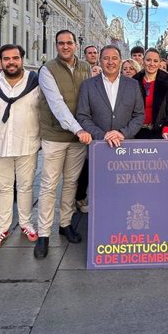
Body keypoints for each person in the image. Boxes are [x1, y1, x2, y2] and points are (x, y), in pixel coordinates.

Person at [35, 31, 91, 259]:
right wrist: (78, 128)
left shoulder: (86, 67)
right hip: (56, 135)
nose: (66, 47)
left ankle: (65, 223)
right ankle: (43, 233)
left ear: (76, 45)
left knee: (70, 182)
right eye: (61, 43)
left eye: (69, 43)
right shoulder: (47, 69)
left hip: (79, 138)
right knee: (49, 184)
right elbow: (56, 104)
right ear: (56, 46)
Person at [0, 44, 41, 250]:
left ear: (22, 59)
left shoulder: (35, 82)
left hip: (27, 142)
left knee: (25, 187)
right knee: (4, 188)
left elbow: (43, 111)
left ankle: (26, 223)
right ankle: (2, 227)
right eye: (6, 58)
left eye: (15, 58)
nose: (11, 62)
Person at [77, 44, 144, 147]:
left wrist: (123, 133)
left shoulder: (133, 85)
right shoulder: (87, 85)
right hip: (97, 145)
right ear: (100, 61)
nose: (110, 62)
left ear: (120, 61)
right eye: (106, 58)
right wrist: (103, 135)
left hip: (126, 145)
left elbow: (139, 115)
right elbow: (83, 116)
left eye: (114, 58)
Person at [132, 48, 168, 140]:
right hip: (136, 131)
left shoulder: (167, 81)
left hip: (160, 131)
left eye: (155, 61)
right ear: (143, 61)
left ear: (159, 63)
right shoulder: (134, 81)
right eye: (148, 60)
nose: (152, 64)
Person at [77, 45, 99, 214]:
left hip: (101, 131)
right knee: (84, 166)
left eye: (94, 52)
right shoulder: (82, 74)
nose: (92, 55)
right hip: (85, 129)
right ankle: (80, 197)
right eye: (89, 53)